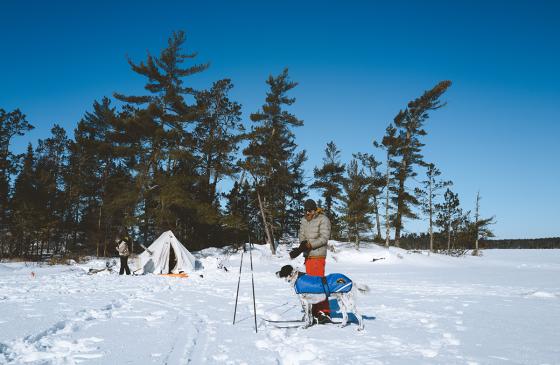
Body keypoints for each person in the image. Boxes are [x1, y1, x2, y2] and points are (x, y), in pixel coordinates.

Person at [289, 199, 332, 324]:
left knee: (319, 285)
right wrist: (302, 245)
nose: (308, 213)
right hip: (308, 257)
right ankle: (313, 311)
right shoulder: (303, 220)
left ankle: (324, 312)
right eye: (306, 211)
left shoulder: (323, 219)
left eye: (310, 210)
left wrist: (309, 245)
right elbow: (301, 235)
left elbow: (324, 238)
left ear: (315, 209)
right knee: (310, 286)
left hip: (318, 256)